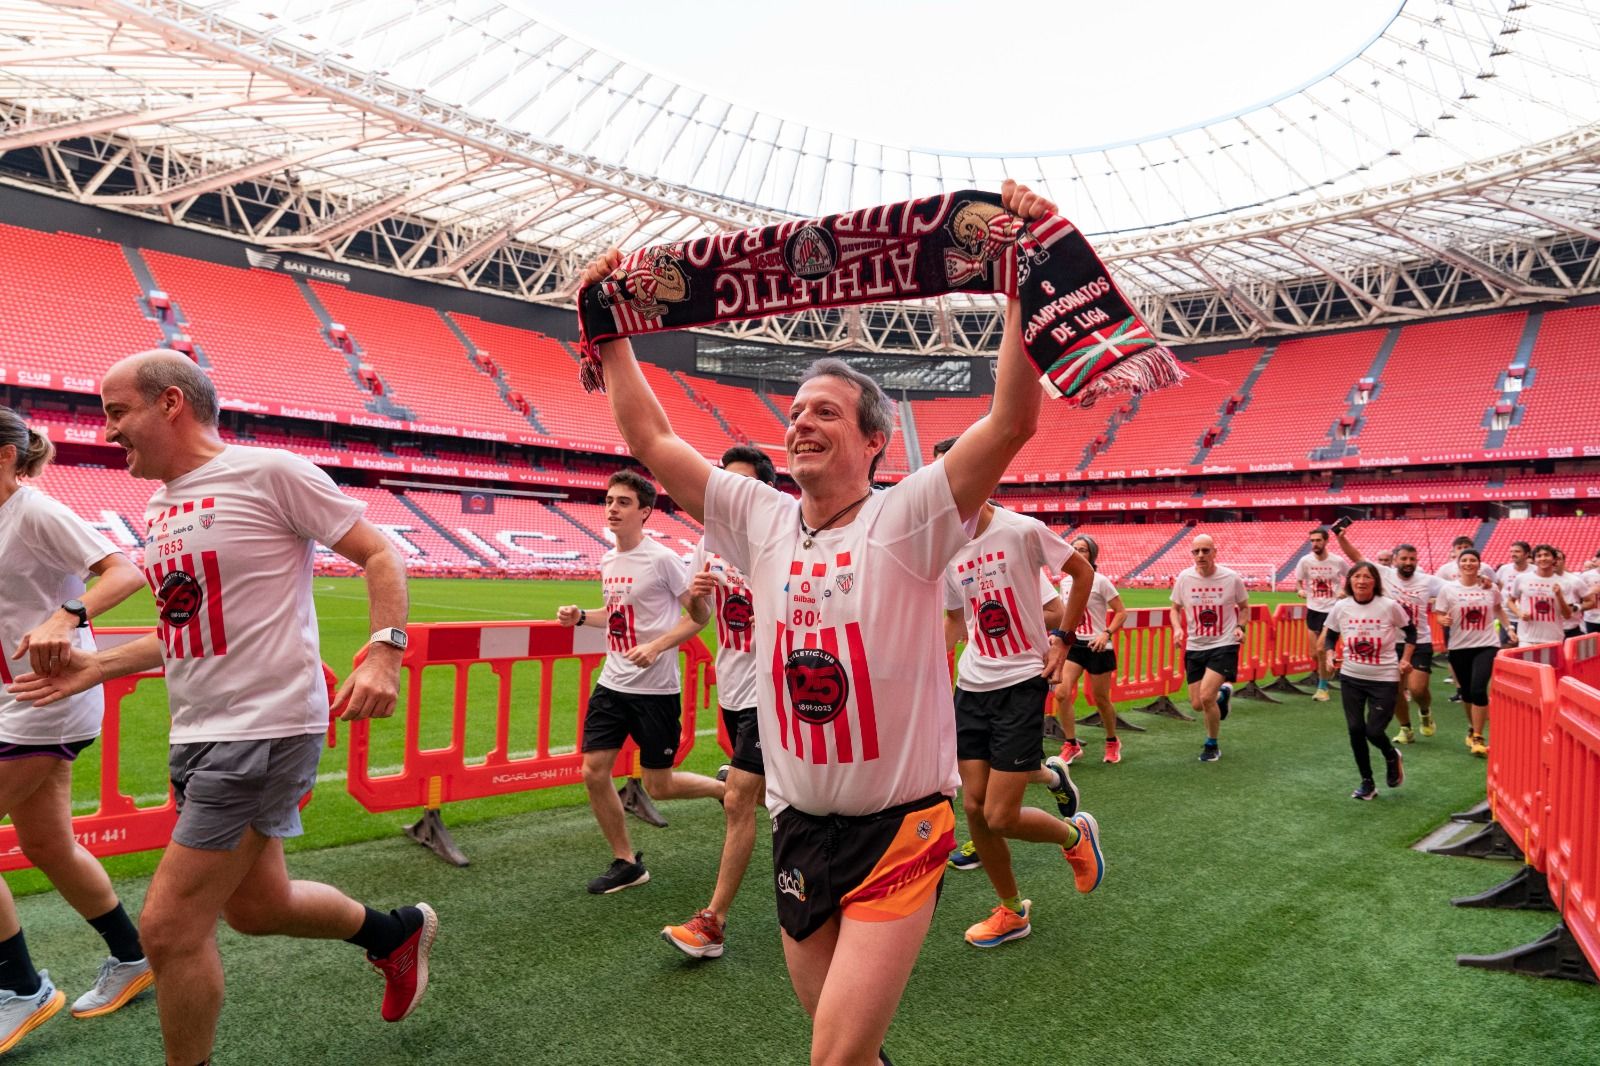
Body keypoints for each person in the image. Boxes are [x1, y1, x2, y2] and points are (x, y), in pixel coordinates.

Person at [580, 179, 1105, 1066]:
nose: (802, 423)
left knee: (829, 1058)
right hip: (799, 829)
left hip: (900, 827)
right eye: (795, 413)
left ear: (872, 442)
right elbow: (652, 441)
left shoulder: (908, 520)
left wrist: (1022, 280)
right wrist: (612, 328)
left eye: (826, 411)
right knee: (848, 1052)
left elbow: (1011, 419)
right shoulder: (760, 519)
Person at [8, 352, 435, 1066]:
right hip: (200, 731)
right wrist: (96, 667)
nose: (108, 431)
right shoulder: (161, 504)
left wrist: (387, 650)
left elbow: (381, 553)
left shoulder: (271, 472)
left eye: (118, 412)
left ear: (170, 402)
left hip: (265, 729)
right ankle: (393, 934)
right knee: (257, 907)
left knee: (170, 929)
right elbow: (183, 629)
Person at [0, 407, 152, 1052]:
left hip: (45, 699)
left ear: (5, 457)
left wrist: (67, 615)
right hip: (16, 699)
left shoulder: (33, 511)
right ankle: (135, 957)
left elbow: (124, 571)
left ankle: (21, 988)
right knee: (49, 845)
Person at [927, 436, 1091, 947]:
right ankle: (1009, 909)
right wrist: (935, 659)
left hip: (1022, 682)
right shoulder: (948, 547)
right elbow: (958, 618)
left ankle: (1075, 834)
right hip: (971, 687)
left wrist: (1063, 640)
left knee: (1000, 814)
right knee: (973, 810)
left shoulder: (1021, 530)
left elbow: (1080, 572)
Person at [557, 470, 723, 895]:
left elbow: (700, 617)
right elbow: (614, 619)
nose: (612, 508)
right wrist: (581, 618)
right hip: (613, 683)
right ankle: (626, 862)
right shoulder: (609, 560)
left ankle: (723, 790)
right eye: (610, 500)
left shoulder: (663, 559)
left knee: (659, 785)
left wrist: (657, 647)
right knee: (594, 772)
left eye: (623, 502)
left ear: (645, 511)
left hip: (655, 690)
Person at [661, 446, 775, 958]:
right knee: (781, 796)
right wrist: (697, 596)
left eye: (741, 484)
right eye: (721, 482)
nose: (727, 494)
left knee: (738, 798)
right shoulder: (708, 540)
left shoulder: (780, 535)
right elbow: (698, 611)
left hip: (776, 689)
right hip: (732, 684)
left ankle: (713, 922)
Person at [1335, 531, 1440, 744]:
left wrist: (1483, 582)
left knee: (1418, 689)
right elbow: (1356, 557)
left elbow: (1457, 587)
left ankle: (1425, 711)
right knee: (1396, 691)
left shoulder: (1428, 581)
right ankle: (1405, 728)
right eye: (1404, 558)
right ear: (1395, 560)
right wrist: (1341, 537)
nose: (1408, 562)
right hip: (1390, 643)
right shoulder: (1384, 573)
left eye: (1412, 559)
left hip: (1419, 641)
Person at [1320, 563, 1414, 800]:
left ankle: (1391, 755)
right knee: (1355, 729)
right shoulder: (1341, 607)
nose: (1361, 581)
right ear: (1350, 581)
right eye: (1357, 576)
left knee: (1373, 730)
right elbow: (1331, 636)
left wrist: (1406, 659)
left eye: (1367, 577)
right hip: (1351, 676)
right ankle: (1367, 782)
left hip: (1384, 678)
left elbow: (1411, 631)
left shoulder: (1389, 606)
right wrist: (1330, 655)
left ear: (1375, 582)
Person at [1171, 534, 1249, 762]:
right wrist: (1177, 629)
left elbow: (1244, 608)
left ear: (1215, 552)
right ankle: (1223, 695)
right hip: (1195, 646)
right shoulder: (1184, 578)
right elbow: (1174, 608)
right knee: (1196, 704)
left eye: (1206, 551)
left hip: (1224, 643)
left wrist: (1240, 627)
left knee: (1206, 698)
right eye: (1196, 552)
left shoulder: (1231, 578)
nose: (1201, 556)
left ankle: (1211, 744)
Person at [1053, 535, 1129, 765]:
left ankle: (1112, 740)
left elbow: (1121, 612)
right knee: (1062, 692)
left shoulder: (1101, 581)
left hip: (1098, 647)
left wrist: (1106, 633)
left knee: (1101, 698)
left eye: (1083, 549)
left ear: (1092, 555)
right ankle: (1071, 744)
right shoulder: (1065, 582)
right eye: (1074, 549)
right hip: (1074, 644)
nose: (1078, 552)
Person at [1434, 549, 1514, 757]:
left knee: (1479, 689)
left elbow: (1498, 609)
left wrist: (1510, 628)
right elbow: (1439, 613)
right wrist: (1442, 620)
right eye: (1465, 560)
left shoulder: (1490, 587)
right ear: (1458, 565)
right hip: (1459, 646)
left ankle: (1478, 736)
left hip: (1487, 645)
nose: (1469, 564)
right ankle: (1472, 727)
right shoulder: (1448, 589)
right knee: (1467, 693)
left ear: (1479, 565)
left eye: (1473, 561)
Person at [1295, 527, 1349, 702]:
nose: (1315, 544)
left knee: (1320, 648)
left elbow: (1351, 577)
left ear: (1326, 541)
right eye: (1312, 541)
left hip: (1333, 610)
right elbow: (1298, 582)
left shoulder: (1337, 561)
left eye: (1318, 540)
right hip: (1313, 609)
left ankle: (1322, 688)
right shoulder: (1305, 561)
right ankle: (1330, 665)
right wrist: (1300, 590)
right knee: (1314, 654)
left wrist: (1344, 591)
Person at [1512, 544, 1574, 649]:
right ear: (1534, 559)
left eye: (1546, 555)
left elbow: (1567, 615)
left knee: (1550, 666)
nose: (1543, 558)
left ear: (1554, 559)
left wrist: (1559, 596)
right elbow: (1510, 601)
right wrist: (1519, 613)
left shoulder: (1564, 583)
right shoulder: (1522, 578)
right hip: (1527, 638)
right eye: (1539, 556)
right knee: (1527, 666)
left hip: (1553, 639)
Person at [1554, 549, 1587, 639]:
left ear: (1564, 561)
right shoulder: (1541, 580)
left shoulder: (1575, 580)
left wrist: (1577, 607)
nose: (1555, 561)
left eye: (1558, 559)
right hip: (1548, 631)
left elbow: (1591, 602)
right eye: (1553, 558)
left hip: (1571, 630)